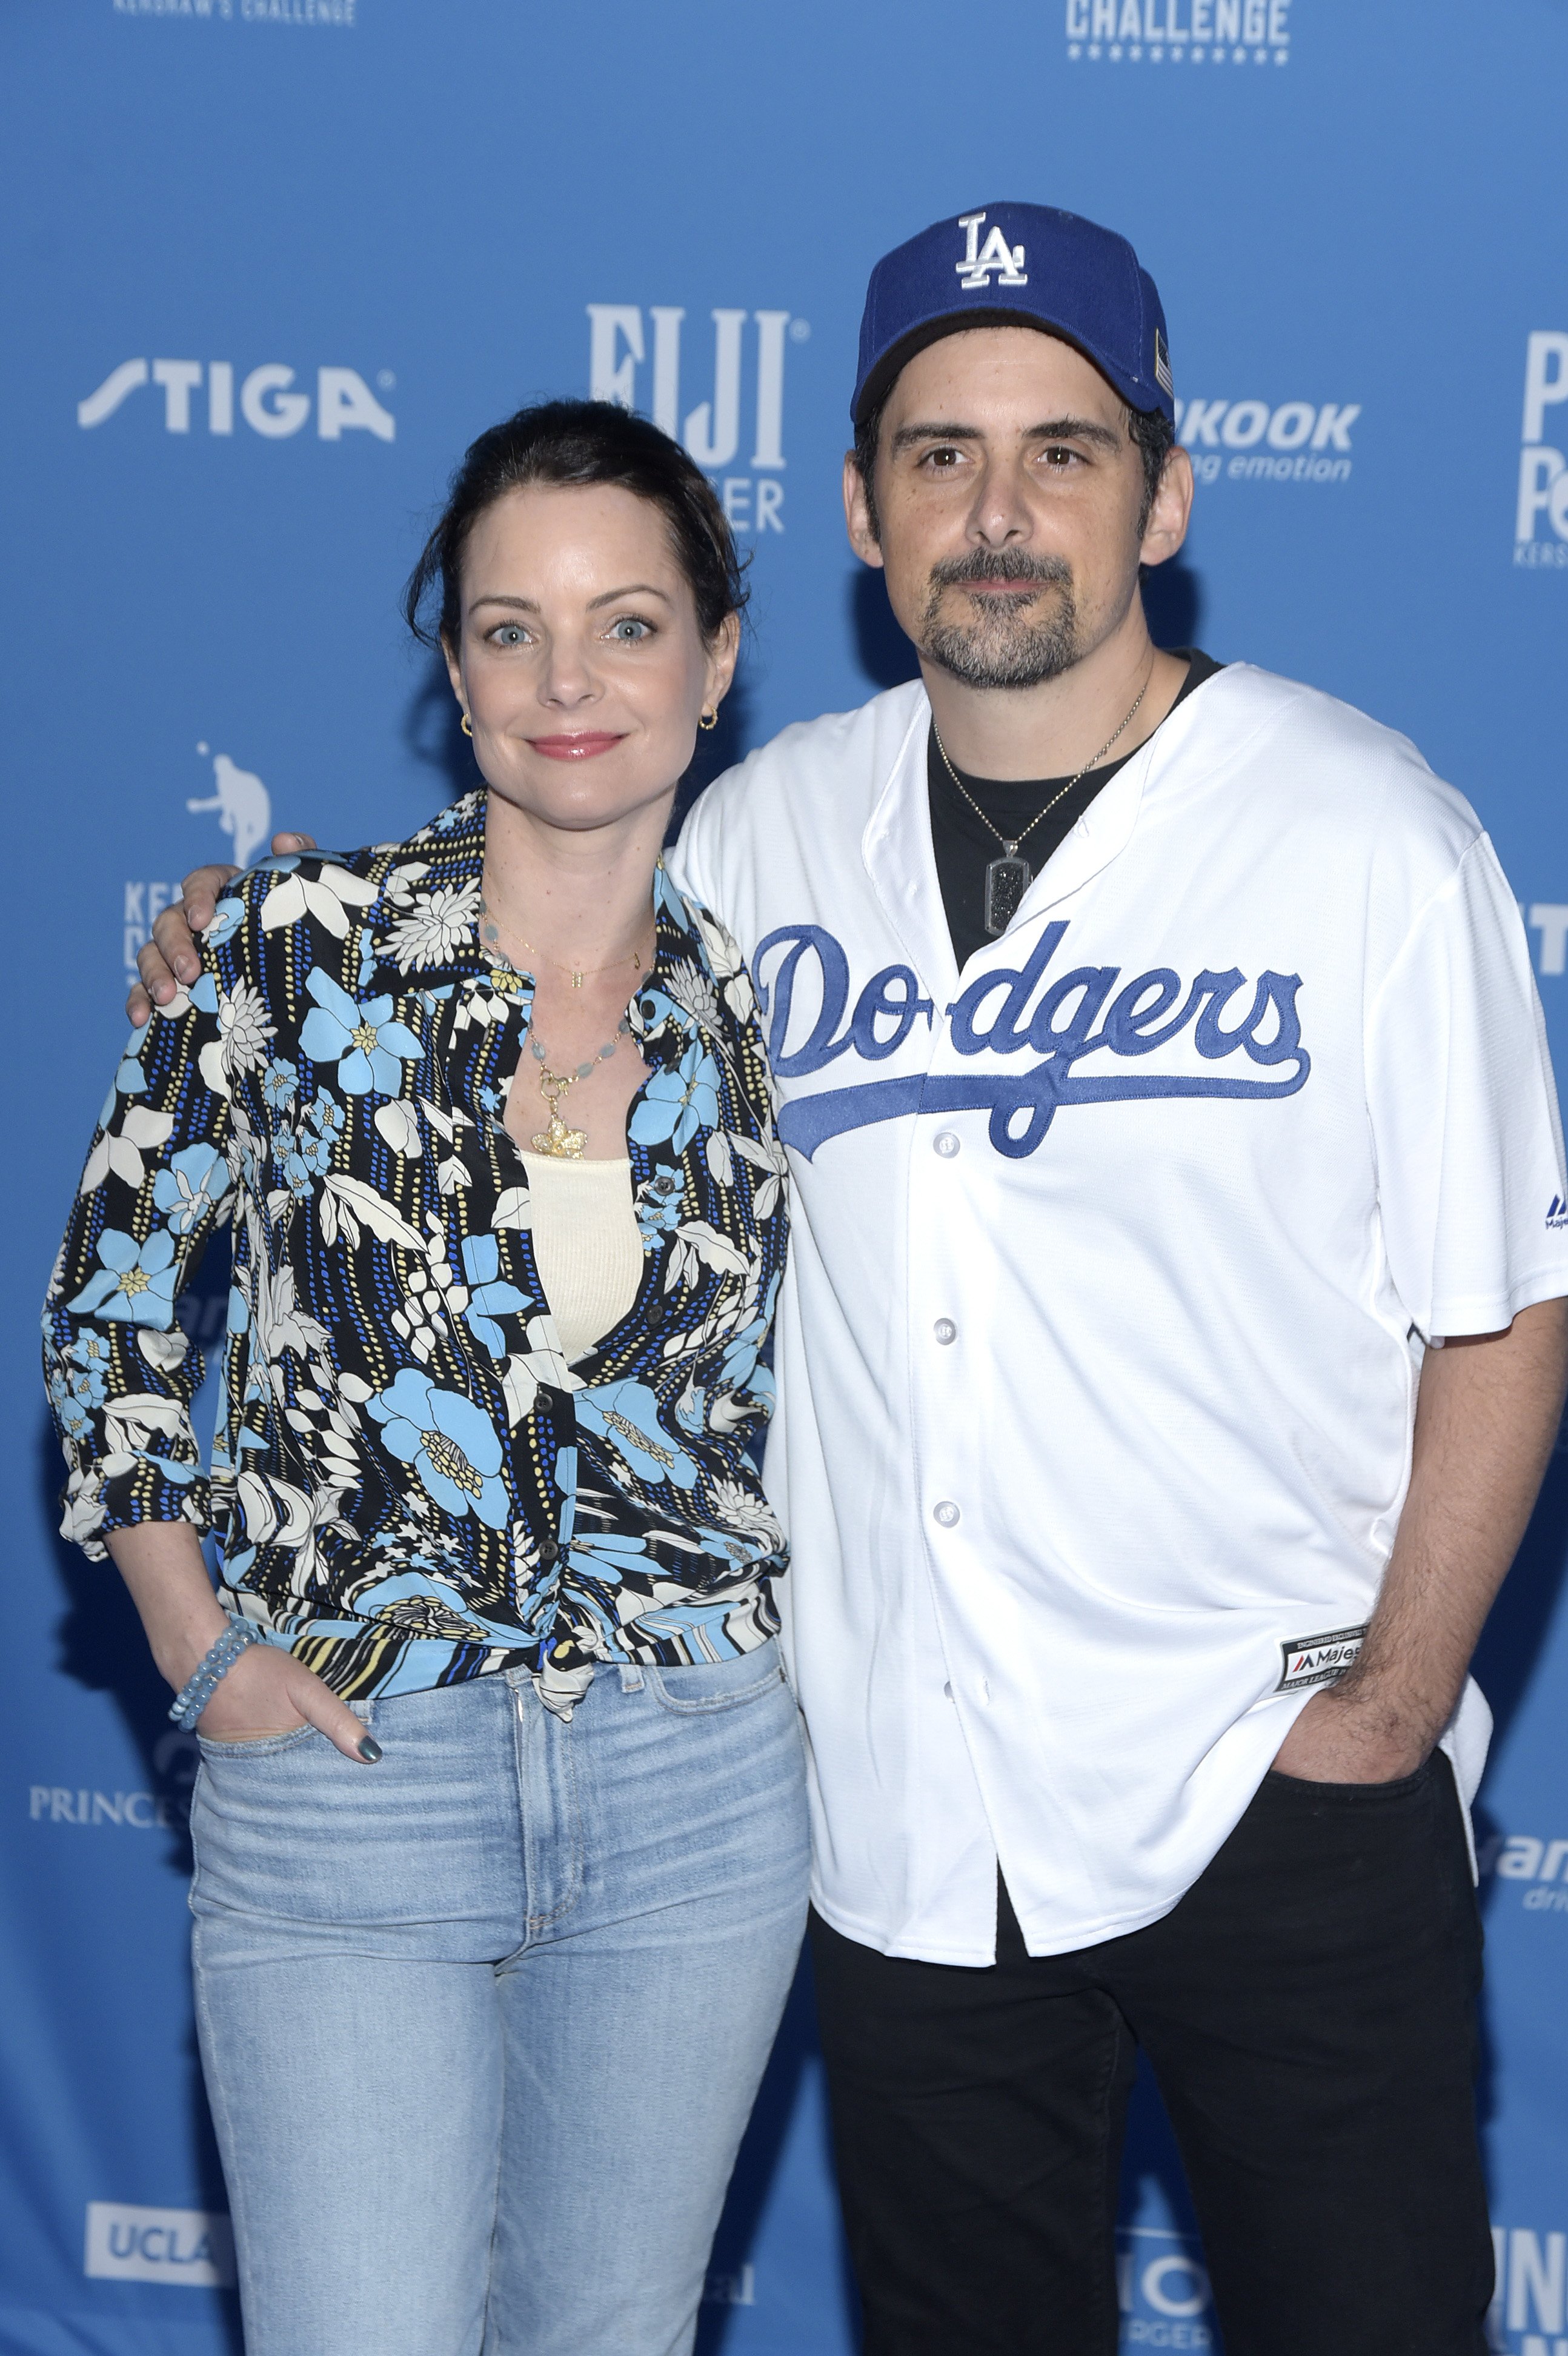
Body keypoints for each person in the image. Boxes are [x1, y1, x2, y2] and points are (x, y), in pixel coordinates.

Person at [135, 205, 1568, 2356]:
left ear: (1164, 494)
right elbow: (535, 890)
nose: (996, 515)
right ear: (860, 516)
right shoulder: (760, 836)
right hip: (904, 1823)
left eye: (1061, 453)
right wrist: (251, 952)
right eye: (936, 457)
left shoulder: (1364, 834)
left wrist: (1378, 1714)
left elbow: (1506, 1307)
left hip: (1273, 1786)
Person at [47, 398, 808, 2356]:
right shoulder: (289, 947)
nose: (568, 681)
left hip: (697, 1786)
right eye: (506, 628)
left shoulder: (788, 995)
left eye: (628, 625)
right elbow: (119, 1299)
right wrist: (200, 1653)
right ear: (450, 665)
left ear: (716, 661)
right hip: (349, 1786)